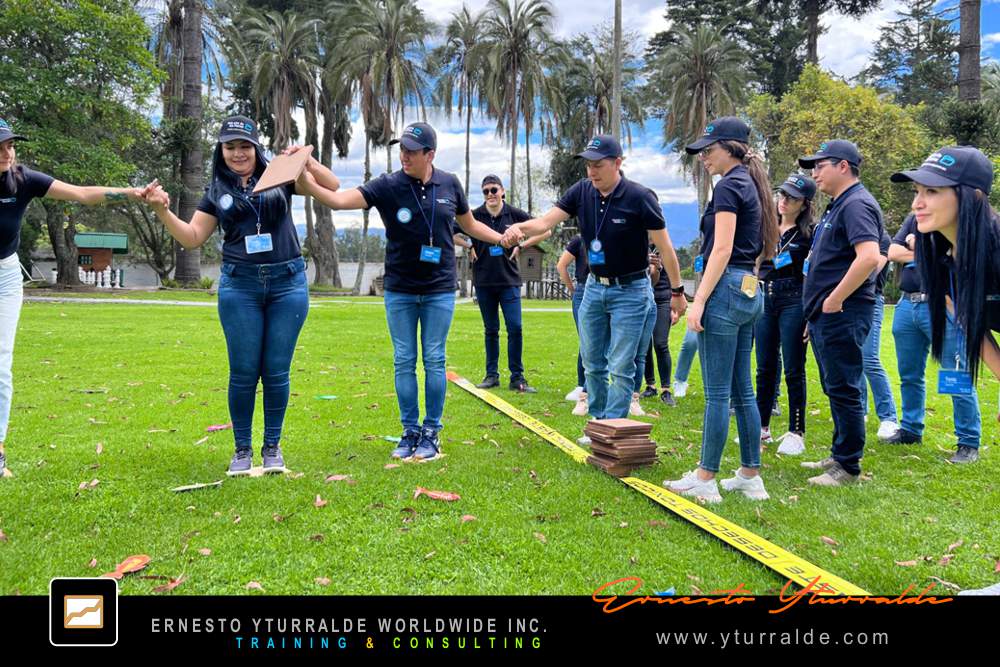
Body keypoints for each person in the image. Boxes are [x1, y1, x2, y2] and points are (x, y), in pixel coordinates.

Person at [298, 122, 505, 462]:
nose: (404, 155)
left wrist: (501, 237)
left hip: (439, 288)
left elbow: (469, 226)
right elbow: (337, 200)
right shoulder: (388, 185)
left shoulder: (449, 183)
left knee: (435, 359)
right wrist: (306, 180)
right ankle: (410, 431)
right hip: (401, 289)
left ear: (430, 155)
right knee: (405, 361)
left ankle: (432, 432)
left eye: (412, 150)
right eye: (402, 149)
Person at [143, 116, 331, 476]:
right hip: (240, 285)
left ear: (256, 147)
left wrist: (305, 158)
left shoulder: (280, 175)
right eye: (230, 147)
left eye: (244, 145)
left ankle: (272, 447)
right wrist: (162, 210)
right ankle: (242, 450)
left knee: (276, 371)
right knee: (244, 371)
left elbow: (332, 185)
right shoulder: (216, 191)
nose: (238, 153)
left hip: (287, 284)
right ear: (221, 151)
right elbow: (192, 237)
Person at [500, 134, 686, 422]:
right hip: (594, 289)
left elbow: (666, 247)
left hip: (631, 290)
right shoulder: (581, 191)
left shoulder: (640, 197)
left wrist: (677, 291)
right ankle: (598, 422)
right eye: (588, 165)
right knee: (593, 363)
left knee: (622, 365)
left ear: (618, 163)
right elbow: (544, 222)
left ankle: (612, 425)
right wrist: (517, 228)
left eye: (598, 165)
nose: (592, 172)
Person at [0, 117, 147, 478]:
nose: (7, 152)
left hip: (5, 275)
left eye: (10, 144)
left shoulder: (22, 179)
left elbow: (83, 194)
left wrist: (133, 193)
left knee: (0, 367)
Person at [663, 117, 778, 503]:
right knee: (742, 390)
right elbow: (759, 249)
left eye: (708, 151)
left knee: (716, 393)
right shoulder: (754, 184)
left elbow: (722, 249)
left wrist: (699, 301)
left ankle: (705, 477)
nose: (703, 158)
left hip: (727, 289)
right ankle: (750, 474)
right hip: (749, 289)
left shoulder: (730, 186)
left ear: (730, 148)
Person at [892, 145, 1000, 432]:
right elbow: (971, 325)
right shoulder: (939, 260)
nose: (917, 203)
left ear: (973, 197)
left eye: (932, 191)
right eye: (917, 191)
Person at [797, 140, 883, 486]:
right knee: (834, 384)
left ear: (843, 166)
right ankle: (839, 453)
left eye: (820, 165)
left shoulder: (857, 204)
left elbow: (870, 257)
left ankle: (847, 466)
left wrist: (833, 299)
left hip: (843, 311)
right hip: (825, 313)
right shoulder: (838, 205)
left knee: (845, 386)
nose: (814, 172)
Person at [888, 213, 982, 463]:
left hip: (944, 306)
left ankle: (968, 442)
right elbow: (892, 252)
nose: (921, 198)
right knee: (909, 374)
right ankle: (910, 429)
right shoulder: (912, 218)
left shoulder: (953, 218)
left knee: (955, 375)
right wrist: (929, 254)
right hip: (908, 305)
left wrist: (918, 247)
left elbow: (955, 256)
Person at [469, 175, 549, 393]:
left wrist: (522, 245)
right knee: (491, 330)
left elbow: (545, 230)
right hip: (484, 281)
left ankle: (517, 378)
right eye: (485, 191)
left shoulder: (514, 215)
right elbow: (455, 231)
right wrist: (468, 245)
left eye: (493, 190)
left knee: (515, 328)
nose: (490, 195)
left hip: (509, 281)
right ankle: (491, 376)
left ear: (502, 191)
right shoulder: (476, 215)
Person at [754, 173, 815, 455]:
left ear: (804, 204)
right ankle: (761, 427)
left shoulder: (808, 235)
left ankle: (796, 430)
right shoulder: (767, 229)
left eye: (792, 198)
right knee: (765, 367)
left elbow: (811, 274)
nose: (784, 201)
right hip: (765, 297)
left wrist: (809, 313)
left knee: (793, 368)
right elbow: (756, 265)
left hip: (794, 299)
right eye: (782, 195)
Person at [859, 229, 901, 441]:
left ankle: (889, 417)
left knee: (869, 359)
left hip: (870, 301)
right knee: (854, 359)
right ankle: (860, 410)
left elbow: (871, 271)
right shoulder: (858, 237)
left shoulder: (882, 239)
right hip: (851, 301)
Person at [639, 246, 677, 407]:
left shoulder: (667, 250)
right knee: (645, 344)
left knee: (660, 343)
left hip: (663, 300)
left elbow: (676, 278)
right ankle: (650, 385)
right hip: (643, 298)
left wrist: (675, 308)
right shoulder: (639, 246)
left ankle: (666, 389)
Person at [556, 233, 590, 415]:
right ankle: (582, 385)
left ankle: (586, 386)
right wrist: (572, 289)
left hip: (602, 288)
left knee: (591, 341)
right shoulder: (579, 240)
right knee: (586, 340)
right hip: (583, 289)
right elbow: (561, 265)